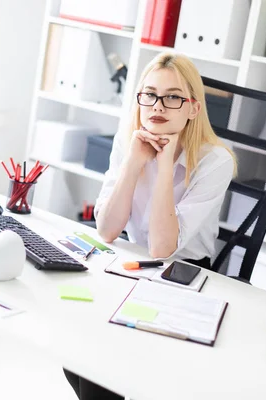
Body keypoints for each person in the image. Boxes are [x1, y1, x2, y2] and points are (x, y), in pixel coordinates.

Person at [63, 52, 236, 400]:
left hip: (182, 277)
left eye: (173, 96)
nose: (158, 105)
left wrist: (166, 160)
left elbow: (162, 248)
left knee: (102, 373)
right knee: (74, 348)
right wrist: (134, 162)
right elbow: (108, 231)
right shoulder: (128, 141)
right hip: (130, 264)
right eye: (149, 94)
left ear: (193, 108)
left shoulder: (216, 161)